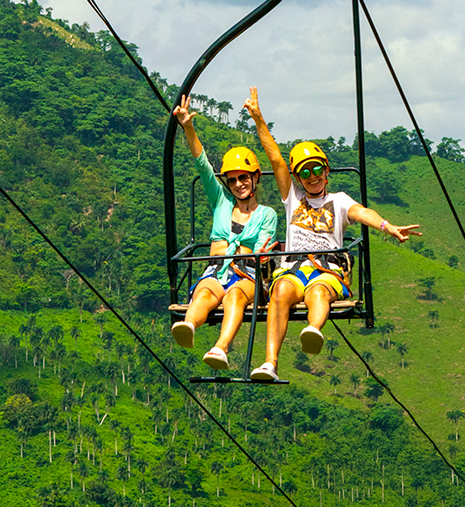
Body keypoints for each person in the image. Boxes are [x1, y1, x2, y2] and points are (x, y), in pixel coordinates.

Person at [243, 86, 421, 383]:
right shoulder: (293, 198)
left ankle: (313, 329)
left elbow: (363, 213)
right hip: (294, 266)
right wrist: (259, 120)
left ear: (326, 171)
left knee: (319, 292)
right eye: (304, 173)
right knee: (281, 293)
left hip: (327, 267)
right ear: (298, 178)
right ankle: (270, 363)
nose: (312, 178)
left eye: (316, 170)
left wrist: (387, 226)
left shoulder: (338, 200)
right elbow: (274, 158)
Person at [170, 94, 279, 370]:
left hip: (247, 275)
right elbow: (203, 165)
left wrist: (256, 255)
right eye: (232, 180)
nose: (238, 184)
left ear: (255, 178)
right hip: (216, 271)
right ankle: (189, 326)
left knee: (234, 296)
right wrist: (188, 127)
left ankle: (221, 347)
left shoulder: (267, 214)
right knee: (205, 291)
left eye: (244, 177)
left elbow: (259, 253)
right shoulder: (221, 202)